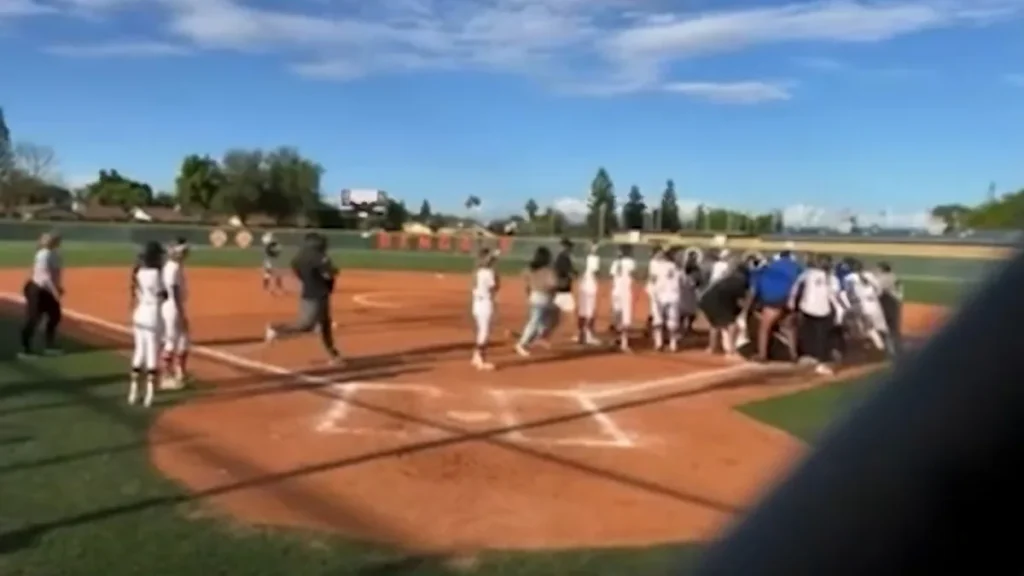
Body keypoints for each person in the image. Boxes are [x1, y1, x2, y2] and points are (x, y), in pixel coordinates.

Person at [265, 233, 343, 365]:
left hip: (312, 293)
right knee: (306, 325)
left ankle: (334, 355)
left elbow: (297, 270)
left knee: (325, 325)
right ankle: (276, 329)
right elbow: (329, 275)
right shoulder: (320, 257)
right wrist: (332, 273)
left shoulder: (300, 256)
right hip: (316, 296)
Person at [129, 241, 167, 407]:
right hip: (153, 313)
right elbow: (162, 295)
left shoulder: (138, 271)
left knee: (139, 352)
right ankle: (149, 395)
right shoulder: (156, 273)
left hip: (139, 313)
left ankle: (133, 391)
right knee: (152, 354)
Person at [790, 254, 841, 376]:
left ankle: (810, 357)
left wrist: (791, 300)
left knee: (808, 334)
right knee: (820, 337)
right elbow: (834, 296)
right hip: (822, 310)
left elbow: (796, 286)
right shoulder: (832, 279)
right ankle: (820, 362)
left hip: (807, 308)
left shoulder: (809, 273)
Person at [751, 249, 802, 362]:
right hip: (790, 299)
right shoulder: (796, 266)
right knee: (789, 328)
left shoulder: (769, 267)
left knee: (764, 328)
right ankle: (794, 354)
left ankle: (762, 355)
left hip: (773, 299)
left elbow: (755, 287)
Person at [20, 232, 64, 357]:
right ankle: (25, 347)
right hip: (38, 289)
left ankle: (49, 345)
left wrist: (58, 286)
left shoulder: (55, 254)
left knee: (55, 316)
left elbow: (55, 274)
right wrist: (55, 290)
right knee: (34, 318)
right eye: (48, 238)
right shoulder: (43, 254)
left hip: (47, 289)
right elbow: (45, 276)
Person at [699, 263, 750, 357]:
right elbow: (741, 301)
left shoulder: (727, 279)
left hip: (706, 301)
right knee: (731, 324)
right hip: (717, 302)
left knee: (715, 324)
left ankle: (712, 347)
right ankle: (731, 348)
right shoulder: (740, 282)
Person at [160, 237, 191, 390]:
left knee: (183, 340)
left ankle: (180, 372)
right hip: (173, 307)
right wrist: (181, 312)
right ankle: (166, 376)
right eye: (183, 252)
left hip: (172, 306)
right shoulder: (173, 268)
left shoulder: (173, 266)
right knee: (172, 341)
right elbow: (174, 291)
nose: (186, 254)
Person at [515, 246, 557, 357]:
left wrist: (530, 285)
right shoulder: (547, 270)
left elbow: (524, 276)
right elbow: (553, 284)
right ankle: (522, 343)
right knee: (535, 321)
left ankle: (536, 336)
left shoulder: (532, 268)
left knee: (548, 317)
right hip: (543, 297)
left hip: (536, 296)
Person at [843, 259, 890, 354]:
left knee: (867, 329)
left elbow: (847, 293)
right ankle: (888, 348)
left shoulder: (849, 278)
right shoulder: (870, 275)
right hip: (875, 304)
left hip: (863, 306)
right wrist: (875, 296)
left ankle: (877, 348)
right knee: (881, 327)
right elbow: (879, 289)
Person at [470, 248, 499, 371]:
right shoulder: (488, 273)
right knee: (484, 332)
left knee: (481, 331)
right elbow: (494, 288)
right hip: (485, 303)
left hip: (476, 303)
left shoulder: (476, 272)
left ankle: (476, 356)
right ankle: (480, 358)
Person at [649, 247, 681, 351]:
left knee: (659, 320)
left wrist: (652, 292)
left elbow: (652, 279)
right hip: (672, 295)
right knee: (671, 321)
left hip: (662, 294)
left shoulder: (655, 264)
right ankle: (671, 343)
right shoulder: (675, 266)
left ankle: (661, 343)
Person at [608, 244, 637, 352]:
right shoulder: (630, 262)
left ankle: (614, 339)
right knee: (625, 318)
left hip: (616, 291)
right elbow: (633, 273)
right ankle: (624, 343)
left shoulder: (615, 262)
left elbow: (611, 277)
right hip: (625, 292)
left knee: (616, 316)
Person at [875, 261, 904, 356]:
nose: (877, 271)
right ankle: (897, 347)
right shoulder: (893, 276)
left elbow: (878, 292)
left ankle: (889, 349)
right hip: (896, 301)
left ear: (882, 270)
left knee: (886, 326)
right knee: (894, 327)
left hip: (888, 303)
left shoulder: (883, 278)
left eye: (878, 269)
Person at [549, 238, 577, 339]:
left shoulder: (561, 258)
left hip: (560, 290)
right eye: (569, 247)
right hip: (563, 290)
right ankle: (576, 334)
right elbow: (567, 272)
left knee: (555, 317)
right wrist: (573, 275)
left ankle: (542, 334)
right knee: (571, 312)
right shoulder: (564, 258)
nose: (570, 249)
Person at [575, 243, 602, 346]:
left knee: (582, 312)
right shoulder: (594, 259)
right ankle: (589, 335)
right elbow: (595, 272)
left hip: (583, 286)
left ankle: (581, 334)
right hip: (590, 287)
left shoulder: (584, 259)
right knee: (590, 312)